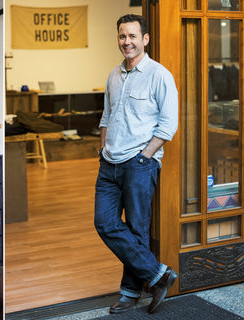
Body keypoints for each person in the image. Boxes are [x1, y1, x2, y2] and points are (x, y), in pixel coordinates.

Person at [94, 14, 179, 314]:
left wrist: (145, 156)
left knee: (138, 229)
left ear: (145, 39)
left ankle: (130, 293)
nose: (126, 42)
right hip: (109, 162)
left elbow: (168, 126)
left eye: (132, 36)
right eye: (121, 36)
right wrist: (102, 147)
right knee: (104, 223)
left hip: (139, 163)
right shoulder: (113, 75)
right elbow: (106, 117)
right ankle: (158, 275)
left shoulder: (159, 75)